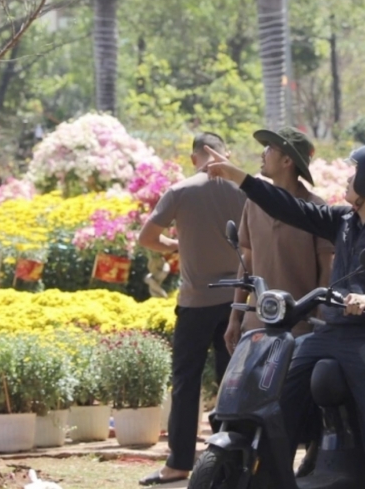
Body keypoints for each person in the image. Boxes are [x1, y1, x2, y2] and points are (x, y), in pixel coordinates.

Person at [205, 143, 365, 489]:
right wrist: (238, 176)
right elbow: (290, 208)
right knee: (278, 401)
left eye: (355, 172)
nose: (348, 177)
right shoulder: (345, 220)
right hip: (332, 332)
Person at [136, 133, 247, 486]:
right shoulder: (245, 190)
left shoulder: (181, 191)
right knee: (233, 381)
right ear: (224, 154)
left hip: (196, 300)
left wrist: (173, 244)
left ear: (193, 157)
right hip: (238, 301)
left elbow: (146, 237)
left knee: (186, 382)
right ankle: (233, 456)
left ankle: (179, 462)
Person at [225, 127, 335, 352]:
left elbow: (327, 270)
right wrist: (235, 317)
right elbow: (248, 260)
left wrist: (319, 320)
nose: (262, 155)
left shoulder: (316, 208)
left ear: (287, 160)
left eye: (268, 148)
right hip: (256, 325)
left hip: (299, 329)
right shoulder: (253, 203)